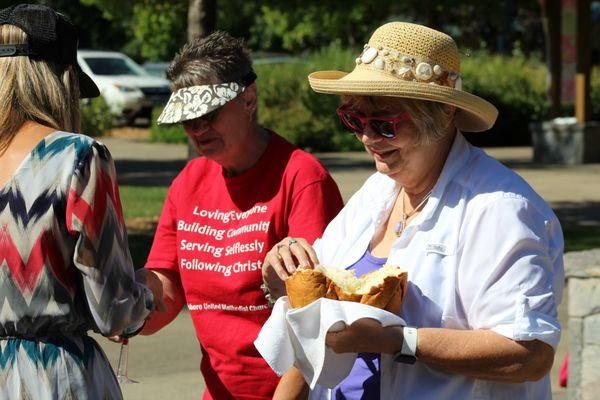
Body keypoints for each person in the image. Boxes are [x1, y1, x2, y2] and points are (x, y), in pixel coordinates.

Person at [262, 22, 564, 399]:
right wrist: (283, 273)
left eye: (385, 124)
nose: (367, 138)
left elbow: (529, 354)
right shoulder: (378, 192)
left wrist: (400, 341)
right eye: (354, 120)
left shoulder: (500, 209)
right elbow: (316, 324)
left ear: (443, 114)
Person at [137, 31, 344, 400]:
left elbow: (321, 320)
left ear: (249, 99)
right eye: (189, 119)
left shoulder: (301, 177)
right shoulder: (188, 182)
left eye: (210, 115)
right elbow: (166, 289)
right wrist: (127, 303)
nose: (198, 130)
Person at [0, 4, 163, 400]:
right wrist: (147, 290)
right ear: (61, 80)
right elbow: (114, 311)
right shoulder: (78, 156)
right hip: (52, 378)